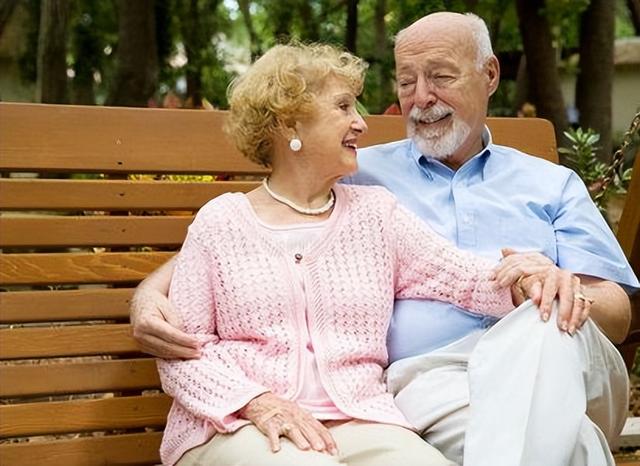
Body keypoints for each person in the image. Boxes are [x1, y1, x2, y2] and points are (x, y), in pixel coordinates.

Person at [131, 13, 639, 466]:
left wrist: (535, 283)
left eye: (440, 77)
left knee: (538, 326)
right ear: (290, 125)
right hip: (429, 387)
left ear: (489, 75)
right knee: (574, 446)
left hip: (551, 359)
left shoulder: (540, 185)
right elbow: (245, 246)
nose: (418, 98)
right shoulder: (347, 180)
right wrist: (150, 291)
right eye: (406, 81)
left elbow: (464, 277)